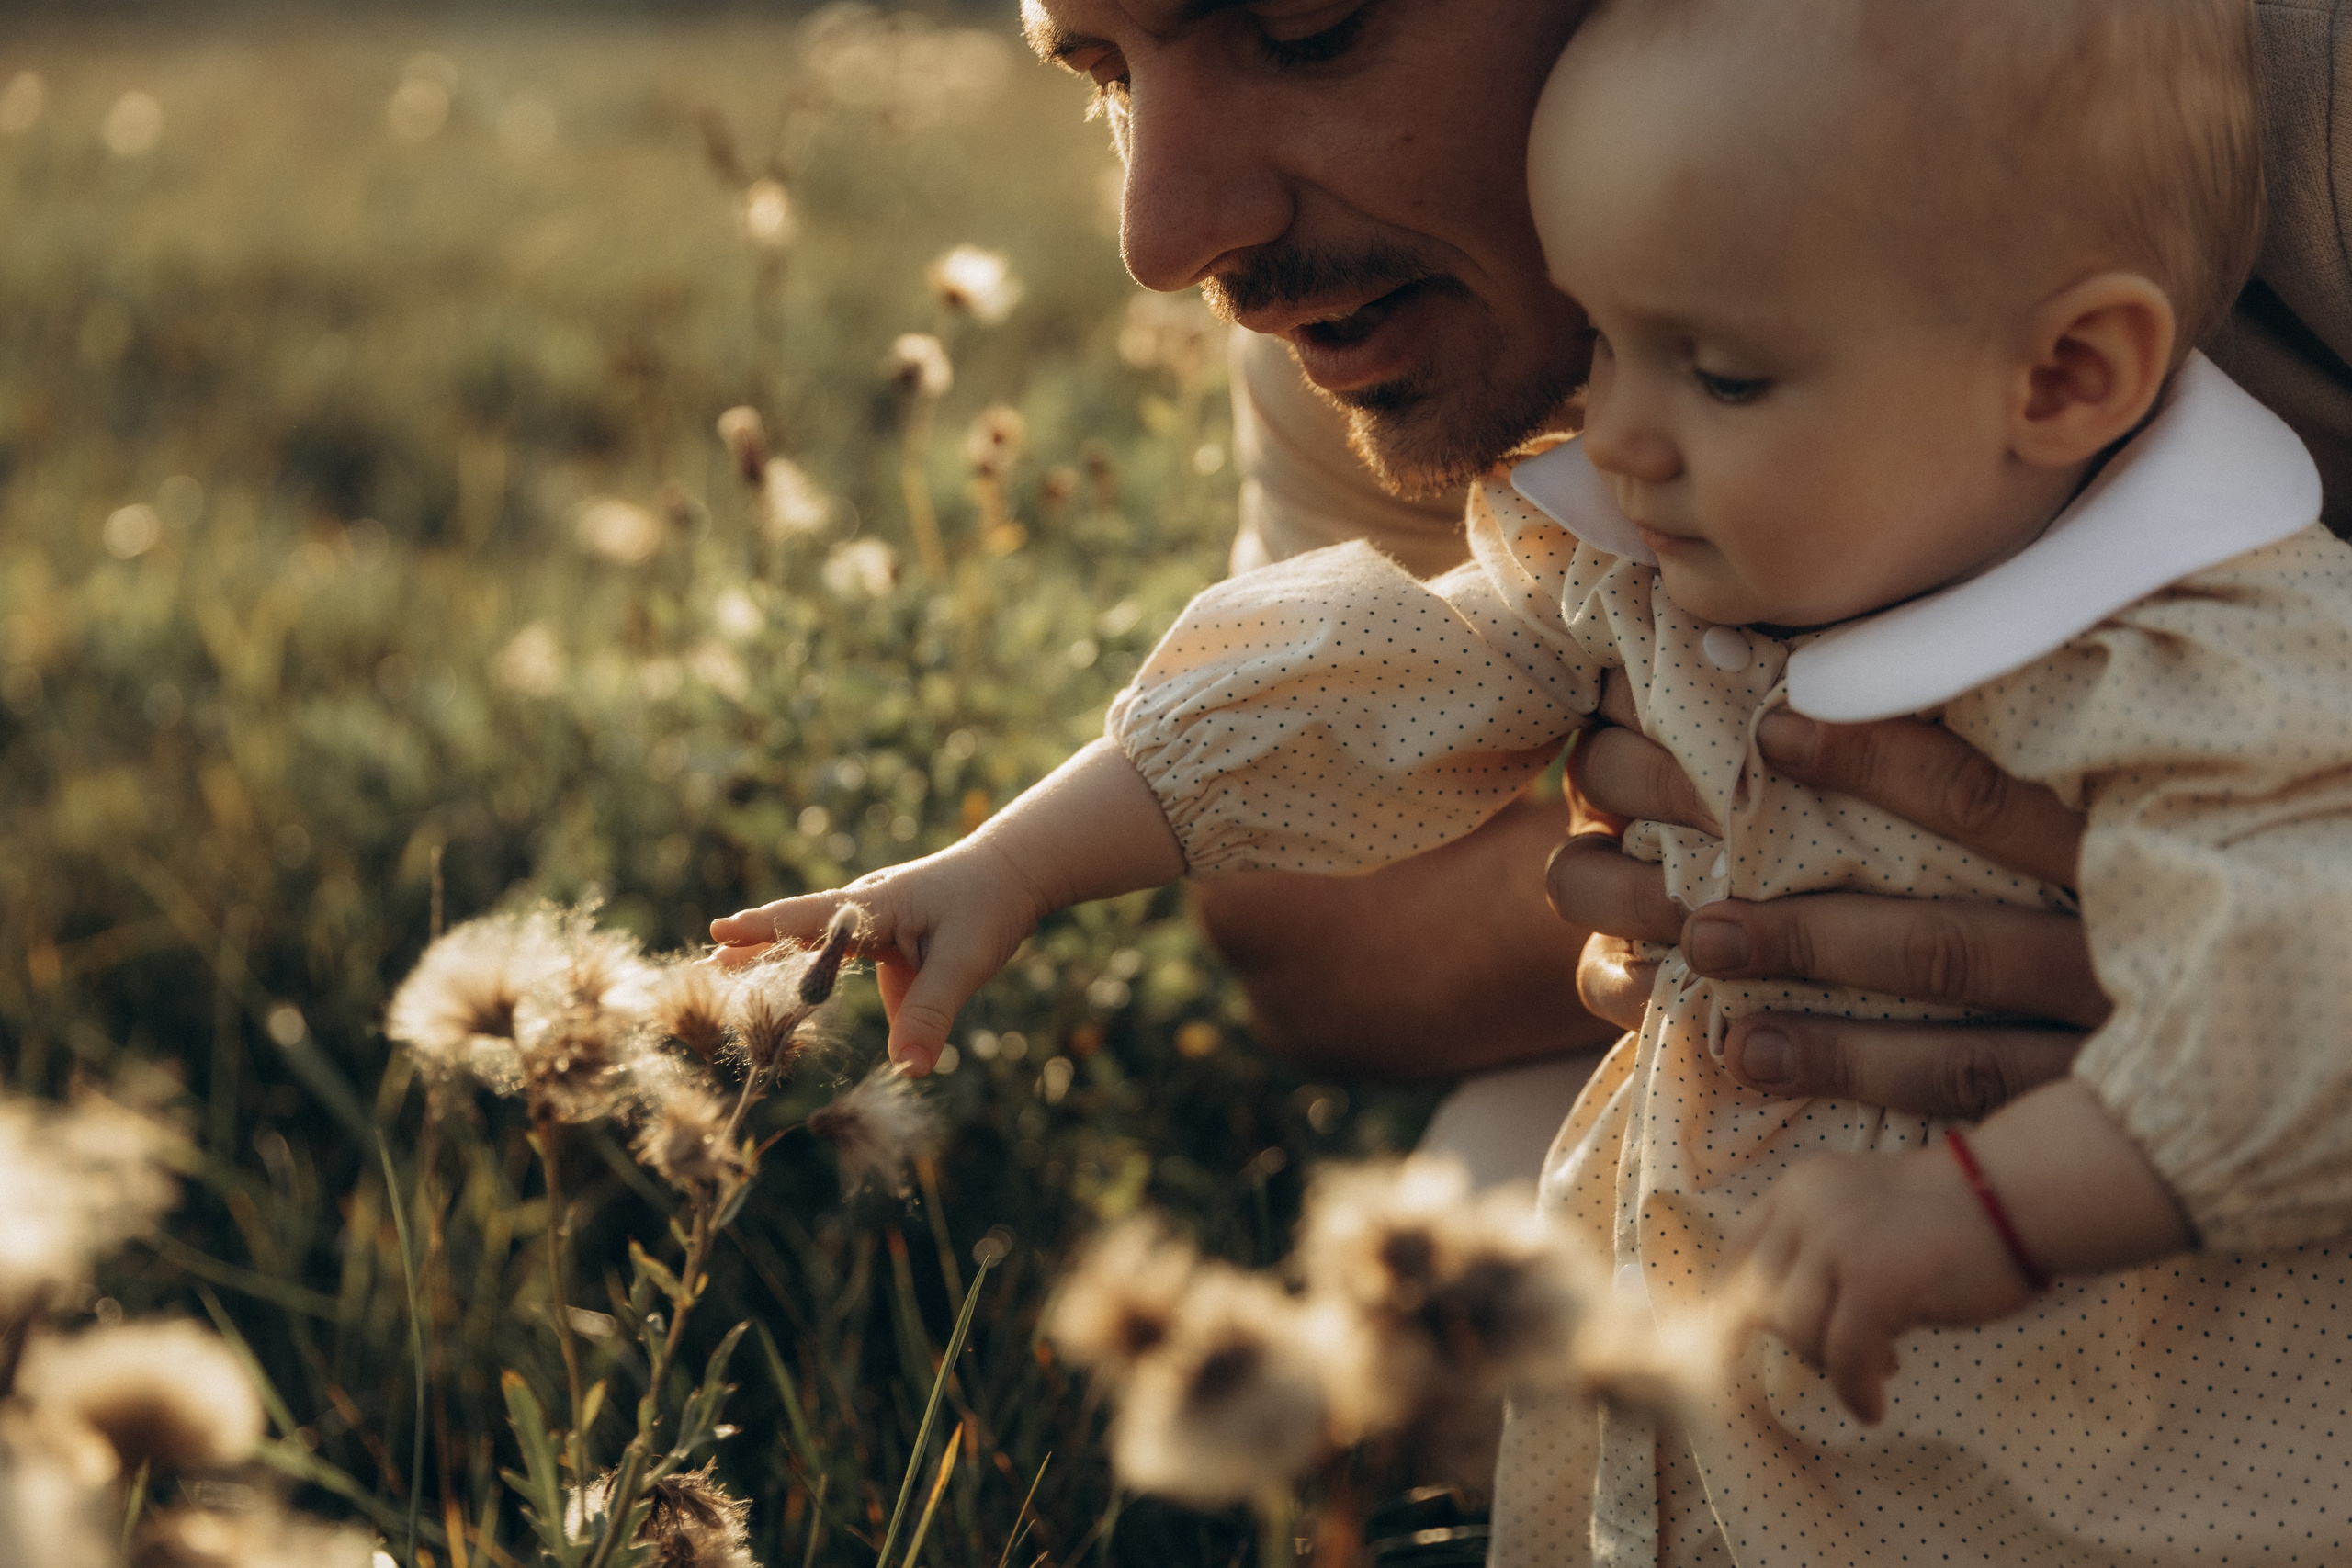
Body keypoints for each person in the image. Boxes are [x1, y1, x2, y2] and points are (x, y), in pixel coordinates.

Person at [716, 0, 2352, 1559]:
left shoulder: (2204, 651)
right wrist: (1007, 861)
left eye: (1303, 24)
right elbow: (1362, 695)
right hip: (1775, 1201)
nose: (1615, 442)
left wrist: (2024, 1167)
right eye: (1103, 69)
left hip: (2142, 1333)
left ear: (2066, 379)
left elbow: (2309, 969)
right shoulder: (1647, 502)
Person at [1022, 0, 2352, 1163]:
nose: (1166, 235)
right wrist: (1788, 886)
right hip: (1842, 1142)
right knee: (1484, 1296)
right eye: (1106, 75)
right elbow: (1312, 935)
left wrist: (2251, 956)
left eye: (1309, 25)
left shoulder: (2306, 81)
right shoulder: (1398, 288)